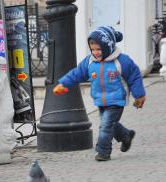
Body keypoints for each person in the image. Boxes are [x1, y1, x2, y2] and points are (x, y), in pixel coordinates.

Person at [53, 26, 146, 161]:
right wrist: (64, 84)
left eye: (99, 49)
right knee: (110, 124)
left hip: (116, 100)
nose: (95, 52)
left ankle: (103, 151)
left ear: (108, 46)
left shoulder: (121, 61)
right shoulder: (89, 62)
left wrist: (139, 95)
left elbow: (134, 76)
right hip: (100, 100)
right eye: (93, 49)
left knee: (105, 125)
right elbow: (77, 73)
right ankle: (126, 135)